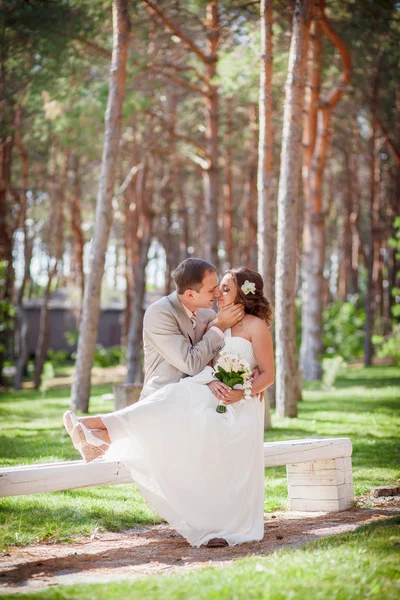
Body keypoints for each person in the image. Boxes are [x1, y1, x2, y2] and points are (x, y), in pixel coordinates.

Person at [64, 264, 274, 548]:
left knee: (184, 404)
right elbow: (205, 362)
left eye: (224, 288)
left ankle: (100, 431)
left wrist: (244, 392)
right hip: (203, 390)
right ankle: (100, 430)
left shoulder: (244, 323)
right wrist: (211, 380)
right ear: (190, 293)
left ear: (243, 295)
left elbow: (267, 374)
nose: (217, 294)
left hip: (238, 405)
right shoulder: (204, 320)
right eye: (215, 288)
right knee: (178, 399)